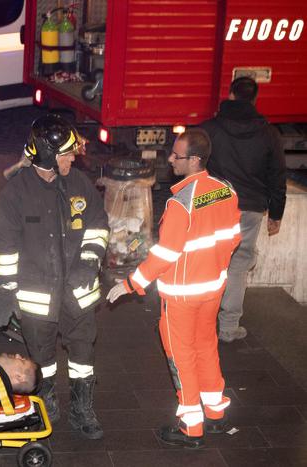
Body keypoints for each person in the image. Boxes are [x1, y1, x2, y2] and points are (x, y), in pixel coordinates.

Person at [107, 128, 241, 448]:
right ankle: (215, 412)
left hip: (182, 296)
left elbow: (164, 255)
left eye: (176, 155)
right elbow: (234, 237)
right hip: (213, 290)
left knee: (181, 357)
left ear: (194, 160)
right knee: (206, 347)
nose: (170, 159)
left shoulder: (181, 203)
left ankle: (191, 427)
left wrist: (131, 283)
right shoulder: (226, 191)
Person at [0, 114, 109, 438]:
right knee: (42, 356)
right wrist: (6, 291)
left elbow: (98, 226)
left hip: (78, 293)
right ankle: (48, 402)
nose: (73, 158)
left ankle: (83, 409)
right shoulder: (16, 193)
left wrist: (89, 261)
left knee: (83, 354)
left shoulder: (79, 184)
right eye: (67, 153)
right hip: (37, 297)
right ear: (47, 154)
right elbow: (4, 246)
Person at [199, 76, 287, 344]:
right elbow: (277, 176)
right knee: (238, 264)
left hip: (214, 204)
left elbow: (194, 164)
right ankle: (228, 327)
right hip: (249, 208)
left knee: (207, 260)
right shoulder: (269, 134)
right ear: (255, 99)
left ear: (231, 94)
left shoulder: (209, 129)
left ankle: (201, 322)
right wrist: (276, 213)